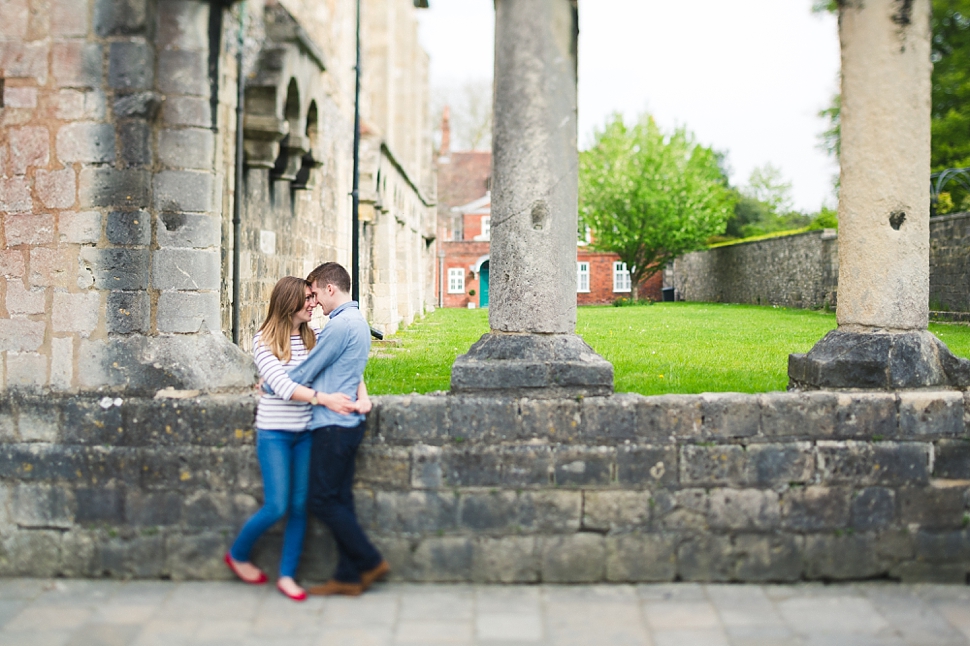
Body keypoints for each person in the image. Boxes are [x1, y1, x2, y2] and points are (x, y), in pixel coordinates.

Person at [224, 276, 368, 602]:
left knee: (301, 506)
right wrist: (324, 399)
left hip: (306, 433)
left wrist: (363, 396)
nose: (313, 302)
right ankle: (238, 553)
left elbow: (347, 365)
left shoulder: (315, 335)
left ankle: (287, 576)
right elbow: (285, 388)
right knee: (277, 505)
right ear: (288, 302)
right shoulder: (263, 341)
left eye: (313, 297)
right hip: (275, 433)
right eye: (306, 298)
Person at [284, 262, 388, 596]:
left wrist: (273, 384)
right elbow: (352, 370)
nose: (314, 301)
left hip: (333, 425)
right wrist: (364, 394)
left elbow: (307, 370)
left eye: (315, 293)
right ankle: (347, 576)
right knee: (340, 499)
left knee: (322, 500)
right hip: (347, 422)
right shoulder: (357, 322)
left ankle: (369, 560)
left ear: (331, 289)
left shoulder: (340, 325)